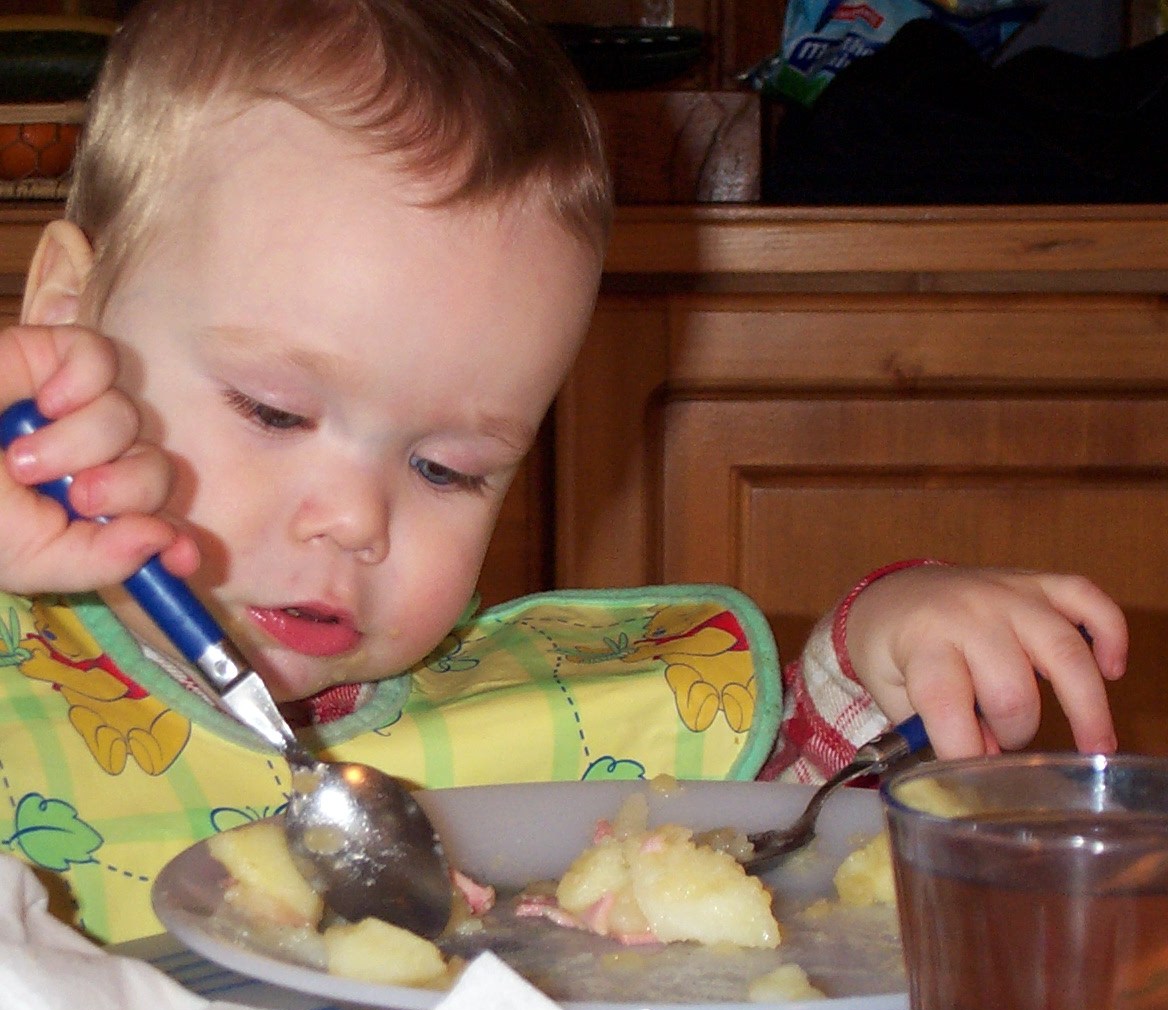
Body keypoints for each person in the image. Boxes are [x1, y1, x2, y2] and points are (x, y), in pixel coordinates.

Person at [0, 0, 1127, 944]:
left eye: (447, 469)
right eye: (273, 411)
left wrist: (896, 650)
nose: (353, 519)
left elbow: (774, 835)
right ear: (65, 315)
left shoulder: (531, 718)